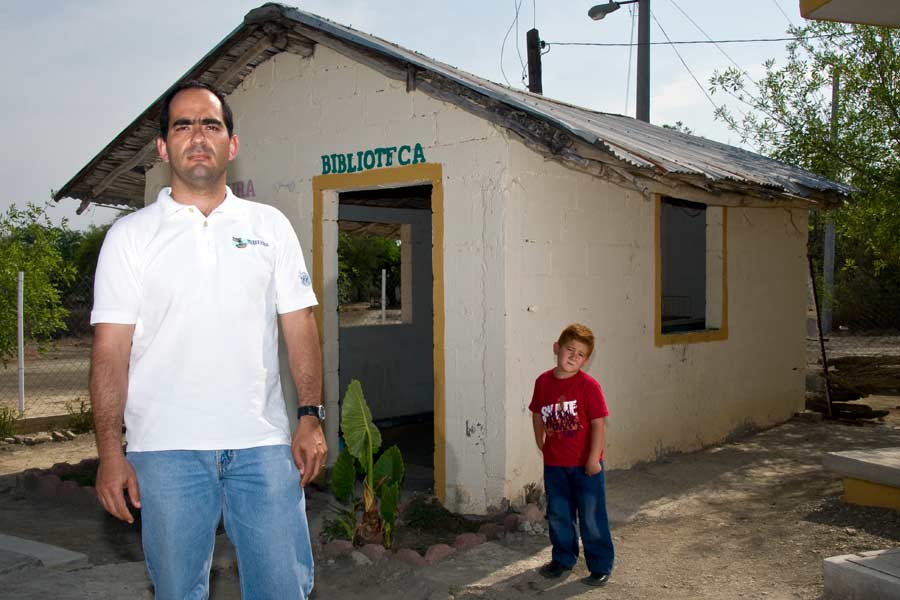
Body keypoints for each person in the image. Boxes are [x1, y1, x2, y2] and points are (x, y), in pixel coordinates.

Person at [89, 80, 327, 599]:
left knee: (283, 588)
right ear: (162, 147)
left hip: (262, 447)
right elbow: (110, 355)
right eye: (183, 125)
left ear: (231, 144)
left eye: (211, 124)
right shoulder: (129, 238)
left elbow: (300, 326)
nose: (198, 135)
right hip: (164, 453)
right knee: (178, 592)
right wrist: (110, 451)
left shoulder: (270, 226)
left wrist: (311, 414)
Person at [529, 323, 614, 587]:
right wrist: (540, 441)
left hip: (585, 466)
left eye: (580, 354)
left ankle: (600, 564)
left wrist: (593, 458)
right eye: (569, 350)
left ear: (586, 360)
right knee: (559, 514)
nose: (573, 357)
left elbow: (599, 422)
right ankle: (563, 558)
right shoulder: (543, 382)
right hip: (555, 465)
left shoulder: (589, 386)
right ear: (557, 348)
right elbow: (536, 412)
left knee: (591, 516)